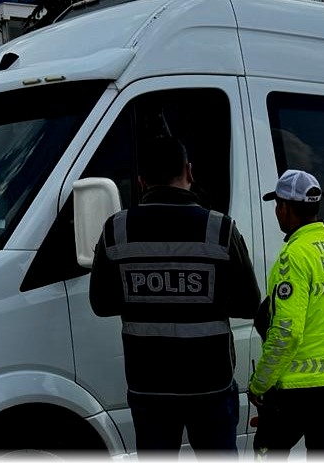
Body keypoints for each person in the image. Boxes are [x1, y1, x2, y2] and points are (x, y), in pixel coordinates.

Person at [89, 136, 261, 456]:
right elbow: (250, 303)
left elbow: (101, 304)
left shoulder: (116, 229)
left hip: (149, 385)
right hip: (210, 384)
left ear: (141, 181)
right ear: (189, 172)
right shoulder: (220, 228)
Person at [250, 170, 324, 460]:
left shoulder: (294, 256)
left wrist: (259, 384)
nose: (277, 212)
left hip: (291, 393)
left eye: (277, 206)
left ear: (285, 208)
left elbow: (287, 331)